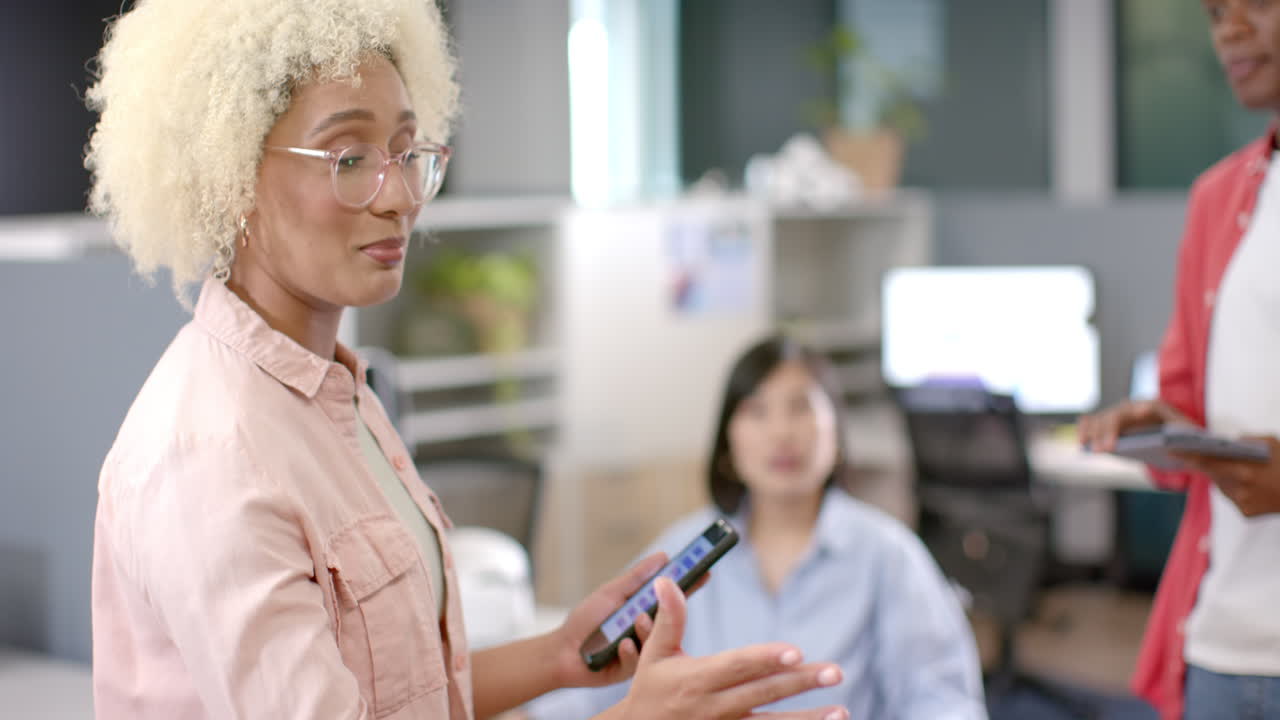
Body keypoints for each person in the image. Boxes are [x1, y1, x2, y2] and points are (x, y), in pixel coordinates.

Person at [84, 1, 851, 718]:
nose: (401, 197)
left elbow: (396, 690)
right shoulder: (212, 459)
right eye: (350, 158)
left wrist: (556, 657)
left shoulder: (340, 395)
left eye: (405, 151)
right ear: (228, 182)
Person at [525, 336, 987, 720]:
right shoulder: (681, 553)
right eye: (757, 411)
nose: (781, 432)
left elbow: (944, 704)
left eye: (801, 408)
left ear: (837, 432)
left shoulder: (889, 556)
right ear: (728, 440)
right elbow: (587, 696)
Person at [1078, 2, 1280, 718]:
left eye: (1255, 2)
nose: (1228, 29)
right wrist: (1165, 429)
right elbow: (1188, 433)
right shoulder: (1218, 198)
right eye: (1214, 11)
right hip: (1220, 646)